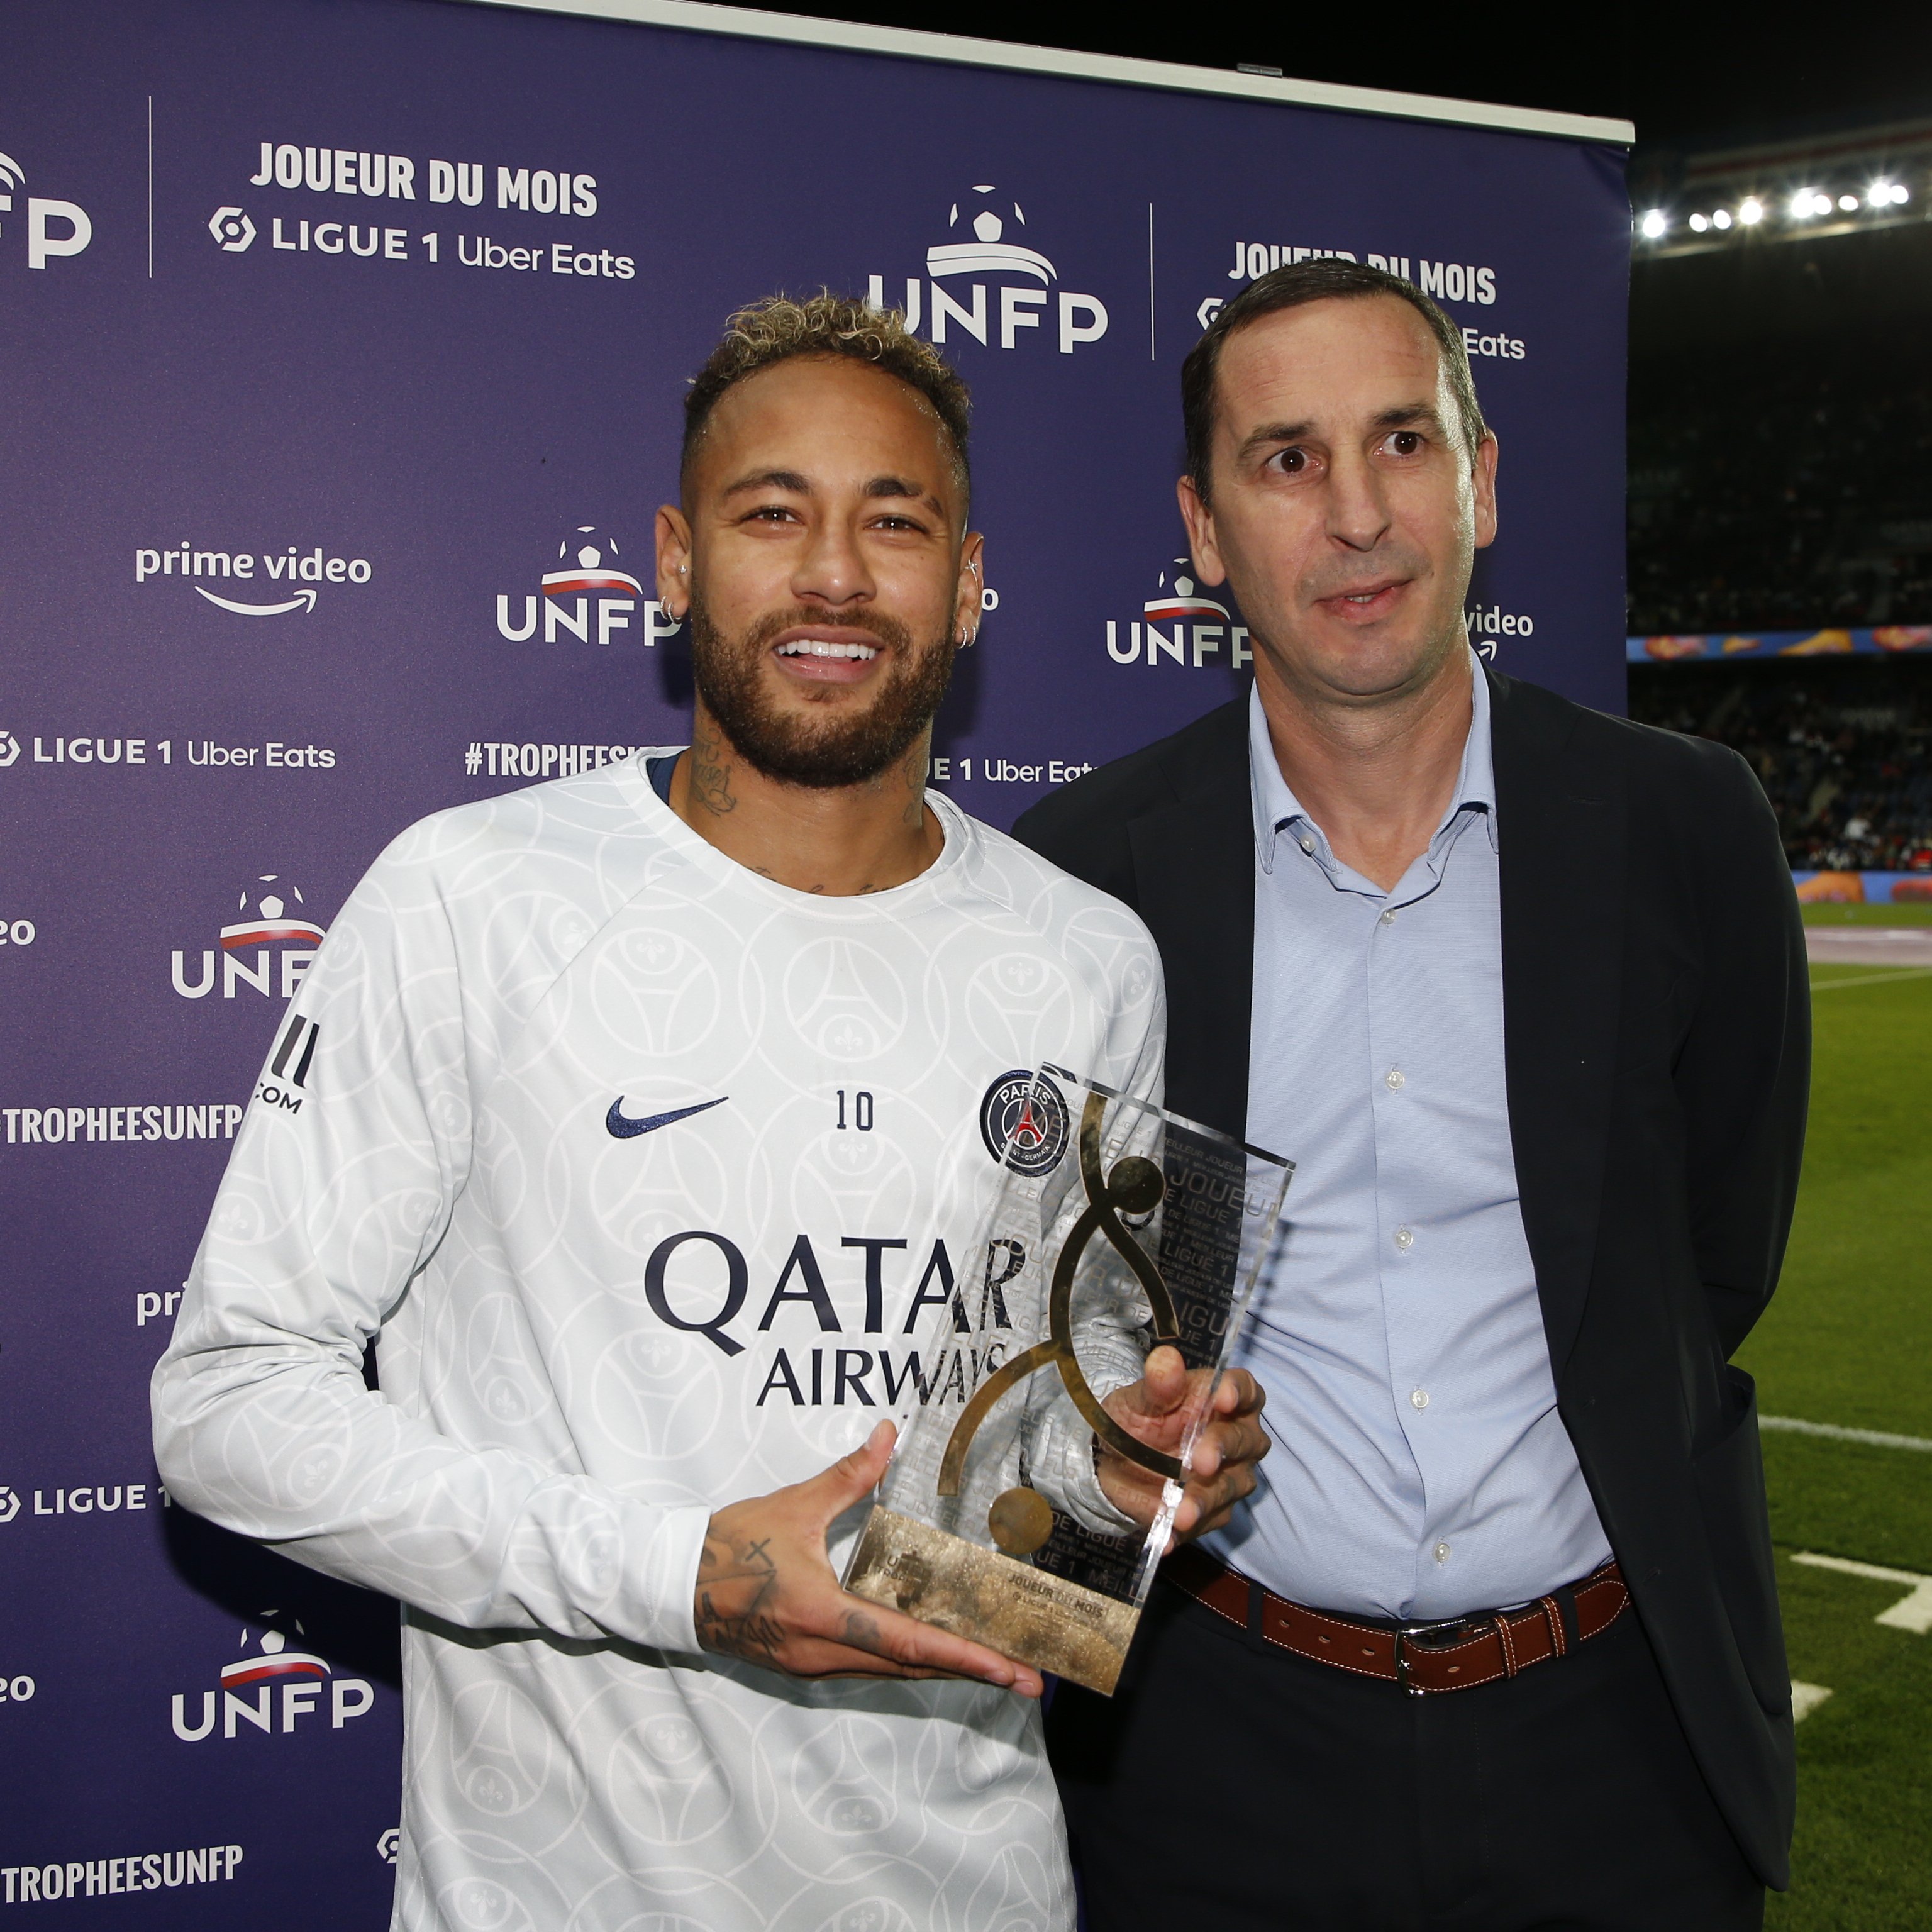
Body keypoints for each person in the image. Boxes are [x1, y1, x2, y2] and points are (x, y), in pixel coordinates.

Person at [152, 293, 1266, 1932]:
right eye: (771, 515)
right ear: (676, 563)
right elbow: (225, 1407)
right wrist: (683, 1576)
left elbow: (1031, 1555)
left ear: (968, 584)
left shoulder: (1091, 956)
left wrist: (1128, 1483)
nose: (832, 573)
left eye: (895, 523)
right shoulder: (469, 898)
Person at [1014, 258, 1808, 1932]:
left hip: (1624, 1737)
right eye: (1288, 460)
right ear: (1205, 528)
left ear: (1485, 477)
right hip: (1214, 1752)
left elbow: (1716, 1260)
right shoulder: (1088, 879)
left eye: (1404, 443)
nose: (1359, 513)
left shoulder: (1683, 826)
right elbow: (1078, 1337)